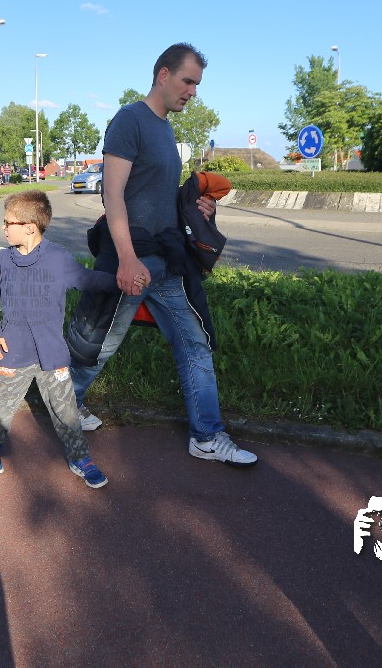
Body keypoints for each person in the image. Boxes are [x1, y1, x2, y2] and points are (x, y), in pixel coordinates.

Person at [68, 43, 258, 467]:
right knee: (101, 342)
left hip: (166, 259)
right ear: (163, 75)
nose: (193, 91)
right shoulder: (129, 120)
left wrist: (195, 207)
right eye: (188, 81)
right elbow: (113, 194)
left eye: (197, 84)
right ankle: (64, 402)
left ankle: (206, 436)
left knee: (194, 342)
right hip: (133, 257)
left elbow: (153, 195)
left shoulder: (166, 129)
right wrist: (127, 258)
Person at [0, 190, 117, 488]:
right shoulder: (3, 261)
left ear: (30, 227)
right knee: (0, 408)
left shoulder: (58, 258)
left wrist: (121, 281)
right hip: (12, 351)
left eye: (8, 222)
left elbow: (89, 280)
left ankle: (80, 457)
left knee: (66, 411)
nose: (4, 227)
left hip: (51, 353)